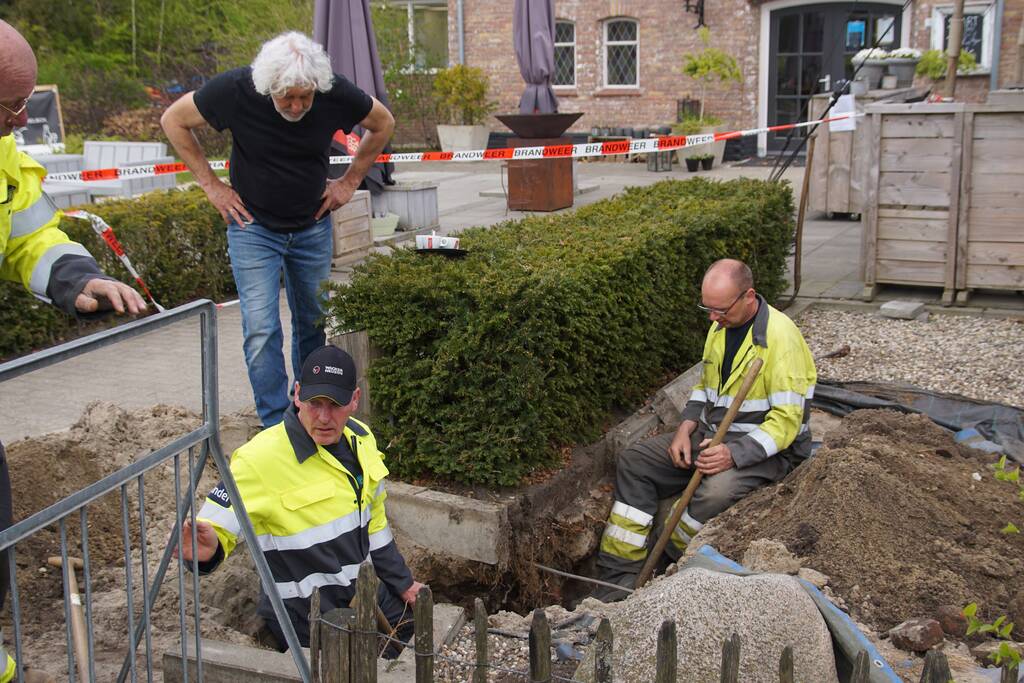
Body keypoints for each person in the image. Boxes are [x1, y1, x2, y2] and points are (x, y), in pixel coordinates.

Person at [1, 20, 147, 683]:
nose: (20, 118)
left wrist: (76, 278)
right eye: (9, 104)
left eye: (24, 102)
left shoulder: (4, 155)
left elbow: (30, 235)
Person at [161, 31, 395, 428]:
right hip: (252, 226)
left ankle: (307, 411)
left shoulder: (333, 91)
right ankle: (274, 423)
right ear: (267, 85)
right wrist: (212, 186)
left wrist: (350, 181)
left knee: (313, 323)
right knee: (261, 330)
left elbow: (383, 122)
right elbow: (174, 120)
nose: (297, 105)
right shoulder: (236, 89)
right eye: (287, 97)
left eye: (305, 96)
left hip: (312, 225)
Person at [175, 345, 422, 653]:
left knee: (418, 641)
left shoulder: (361, 438)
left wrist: (402, 581)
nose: (323, 417)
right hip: (308, 613)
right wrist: (206, 550)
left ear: (355, 399)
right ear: (297, 394)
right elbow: (215, 527)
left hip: (365, 591)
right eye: (314, 403)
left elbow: (375, 524)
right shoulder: (260, 459)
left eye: (335, 404)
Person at [594, 259, 817, 599]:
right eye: (707, 309)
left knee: (715, 493)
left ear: (749, 296)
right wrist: (685, 428)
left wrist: (733, 454)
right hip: (713, 433)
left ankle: (667, 564)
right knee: (636, 462)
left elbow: (788, 421)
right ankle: (618, 575)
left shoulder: (780, 340)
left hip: (766, 450)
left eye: (720, 310)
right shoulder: (721, 327)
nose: (712, 318)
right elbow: (705, 387)